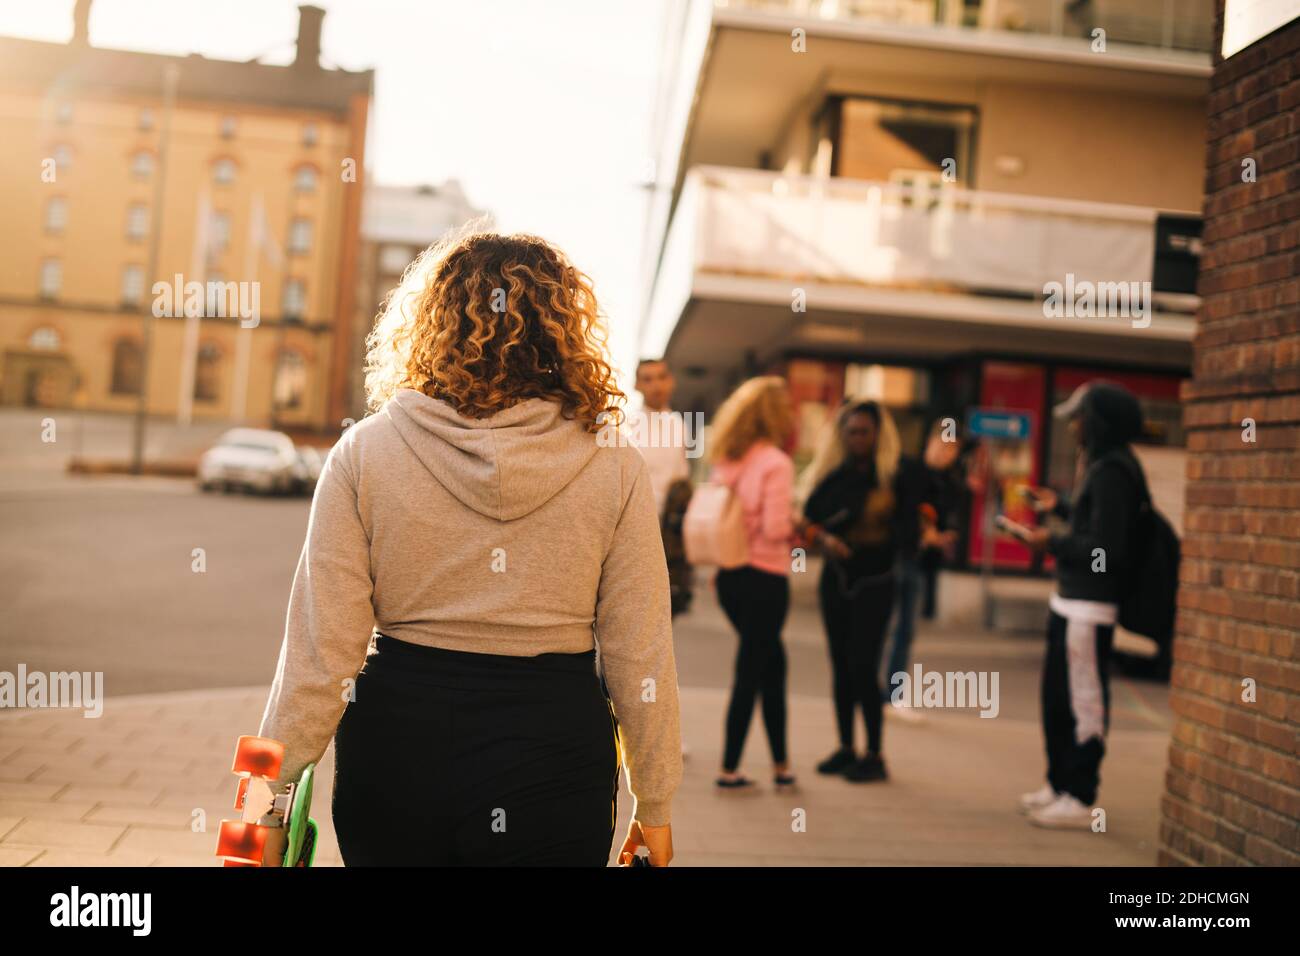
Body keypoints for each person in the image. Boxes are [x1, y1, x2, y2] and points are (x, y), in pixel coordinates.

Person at [257, 231, 682, 866]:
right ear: (563, 328)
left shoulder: (366, 452)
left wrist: (266, 797)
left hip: (400, 744)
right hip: (553, 749)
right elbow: (638, 652)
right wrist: (655, 802)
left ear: (432, 322)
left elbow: (321, 652)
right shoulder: (612, 465)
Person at [1016, 380, 1146, 829]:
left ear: (1097, 423)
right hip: (1069, 601)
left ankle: (1080, 794)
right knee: (1056, 699)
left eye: (1079, 418)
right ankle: (1058, 783)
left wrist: (1051, 540)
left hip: (1090, 607)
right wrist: (1062, 507)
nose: (1072, 426)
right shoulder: (1102, 466)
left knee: (1083, 700)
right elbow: (1093, 525)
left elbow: (1104, 549)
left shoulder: (1114, 470)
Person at [800, 399, 940, 783]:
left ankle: (875, 754)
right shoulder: (836, 476)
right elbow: (807, 520)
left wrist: (922, 528)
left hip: (876, 581)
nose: (858, 438)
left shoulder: (898, 474)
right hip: (837, 579)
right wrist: (825, 540)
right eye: (851, 431)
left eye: (864, 431)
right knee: (841, 667)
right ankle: (847, 747)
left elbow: (927, 508)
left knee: (864, 666)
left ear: (878, 434)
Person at [706, 376, 796, 790]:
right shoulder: (776, 463)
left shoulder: (728, 458)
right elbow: (777, 529)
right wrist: (800, 527)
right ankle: (728, 769)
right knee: (752, 669)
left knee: (772, 665)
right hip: (765, 578)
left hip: (729, 578)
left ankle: (781, 765)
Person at [879, 419, 960, 722]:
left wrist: (943, 535)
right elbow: (897, 514)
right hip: (895, 557)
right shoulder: (909, 470)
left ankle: (892, 694)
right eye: (943, 444)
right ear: (930, 441)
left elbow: (948, 519)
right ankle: (871, 690)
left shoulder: (947, 483)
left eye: (952, 448)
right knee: (884, 625)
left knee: (905, 631)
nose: (946, 452)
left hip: (918, 562)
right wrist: (922, 533)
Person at [630, 358, 694, 617]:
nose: (656, 385)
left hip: (671, 529)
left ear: (671, 381)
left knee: (667, 606)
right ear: (637, 385)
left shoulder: (679, 424)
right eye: (648, 378)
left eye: (661, 377)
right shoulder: (627, 425)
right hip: (638, 527)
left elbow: (681, 475)